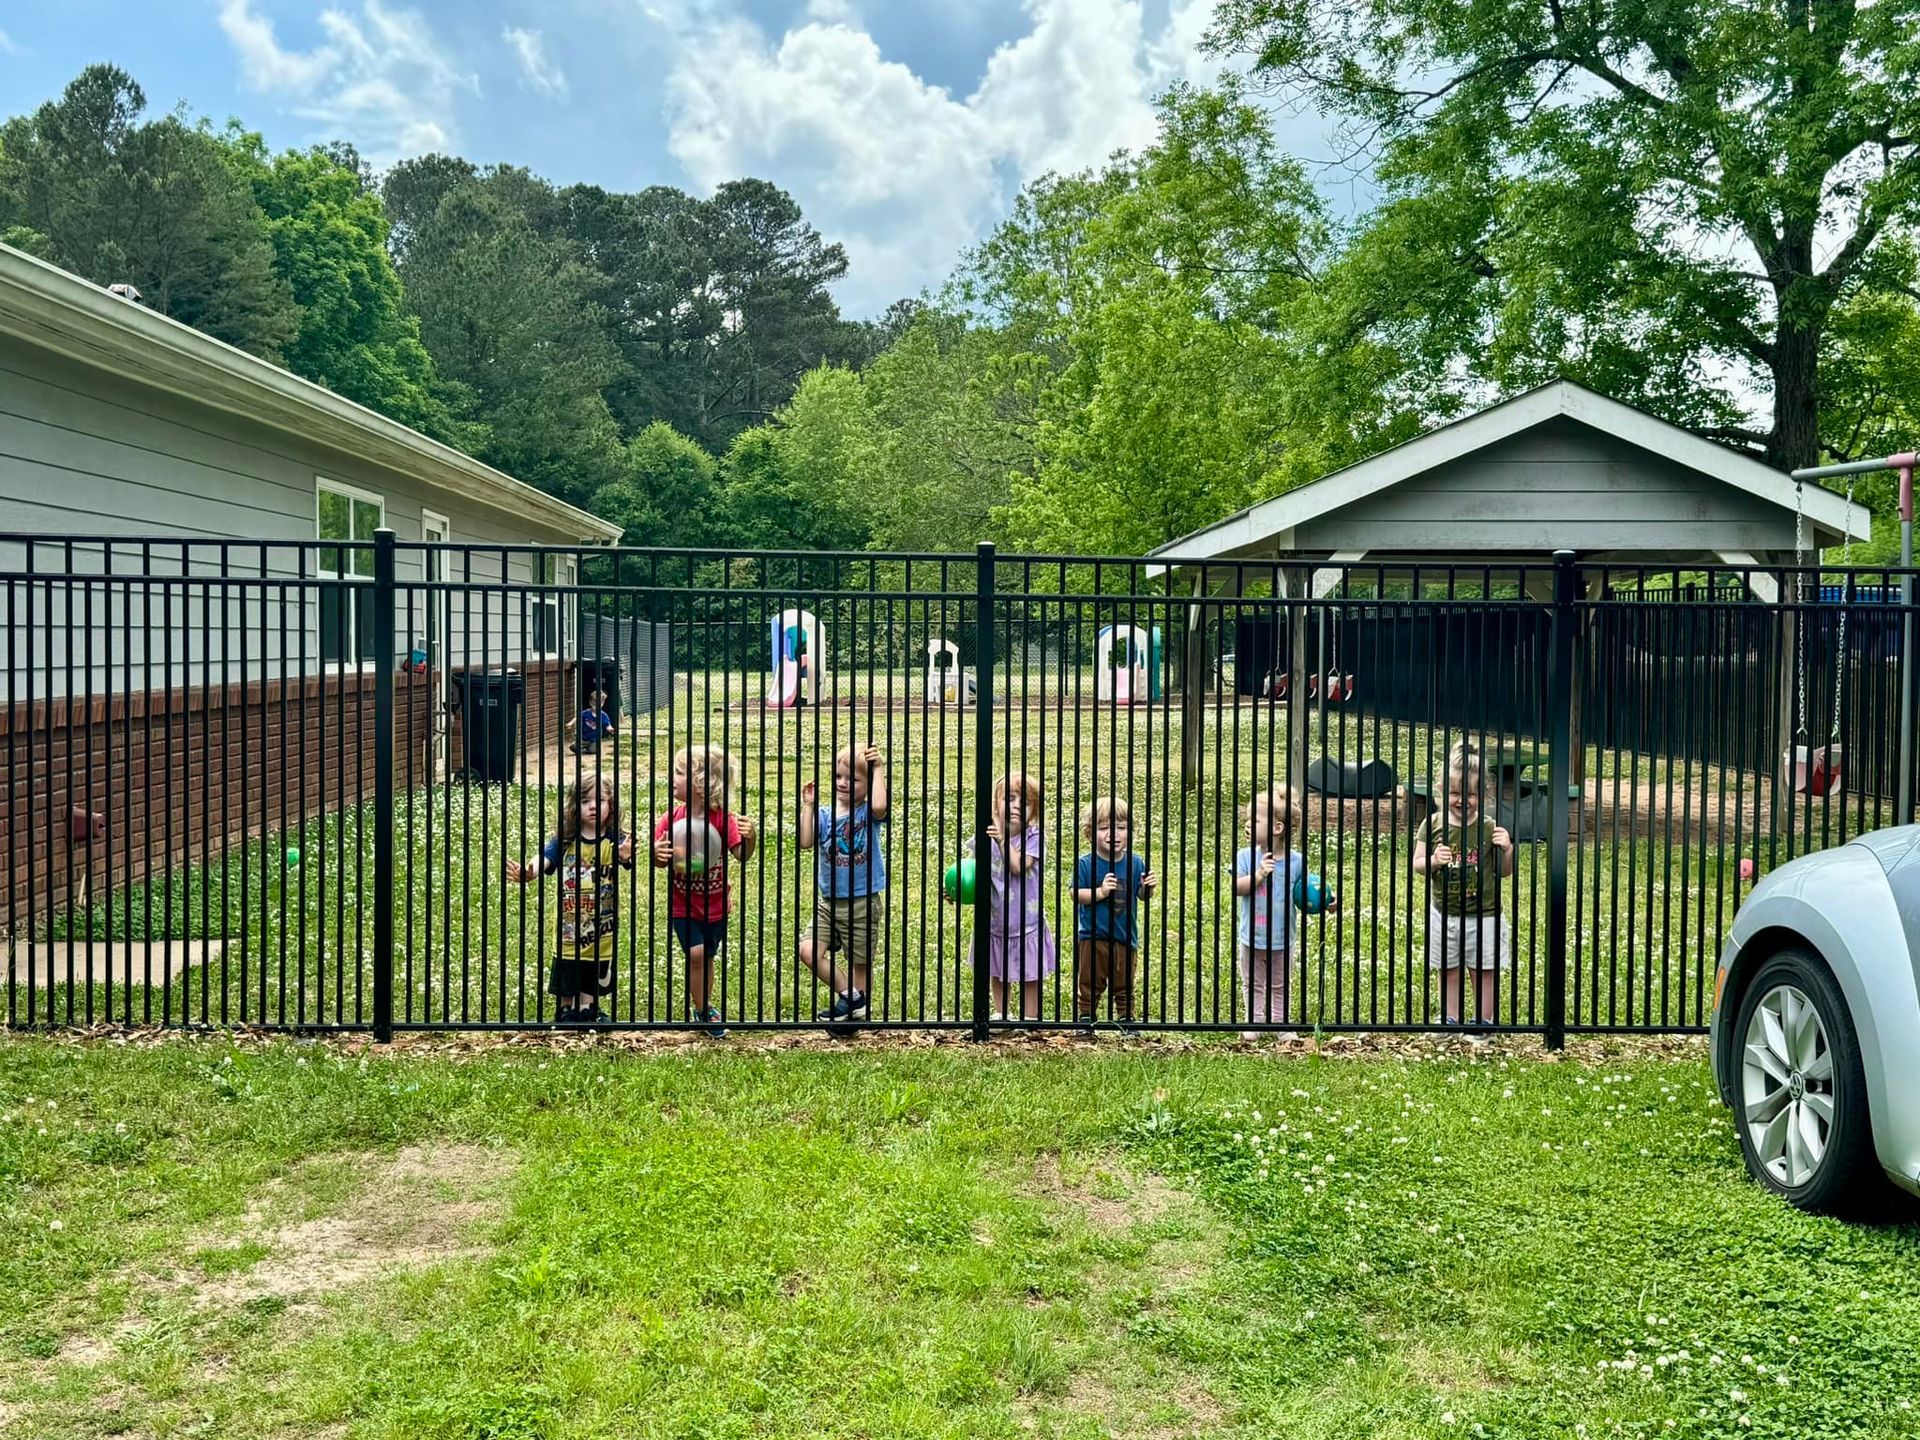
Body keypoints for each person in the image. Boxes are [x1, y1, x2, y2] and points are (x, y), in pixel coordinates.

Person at [506, 775, 635, 1025]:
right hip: (569, 922)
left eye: (599, 800)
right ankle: (566, 1010)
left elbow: (626, 859)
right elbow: (543, 859)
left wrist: (625, 856)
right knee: (567, 964)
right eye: (585, 800)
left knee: (594, 964)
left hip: (601, 923)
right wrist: (528, 872)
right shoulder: (565, 840)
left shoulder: (615, 839)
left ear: (611, 804)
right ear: (575, 807)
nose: (593, 806)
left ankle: (588, 1008)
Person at [651, 745, 756, 1037]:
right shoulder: (670, 819)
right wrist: (657, 853)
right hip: (682, 903)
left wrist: (752, 838)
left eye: (680, 772)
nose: (672, 777)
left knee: (707, 955)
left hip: (716, 904)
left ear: (701, 782)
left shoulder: (723, 819)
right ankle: (702, 1011)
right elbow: (660, 861)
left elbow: (741, 854)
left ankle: (704, 1005)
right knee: (696, 954)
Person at [1412, 740, 1514, 1028]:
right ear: (1442, 792)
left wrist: (1507, 849)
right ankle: (1450, 1017)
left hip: (1485, 914)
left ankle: (1484, 1020)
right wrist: (1433, 860)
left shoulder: (1488, 826)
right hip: (1444, 912)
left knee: (1483, 969)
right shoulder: (1432, 825)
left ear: (1483, 794)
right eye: (1455, 793)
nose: (1462, 800)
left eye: (1470, 794)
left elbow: (1504, 873)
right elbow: (1417, 864)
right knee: (1448, 968)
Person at [799, 744, 889, 1033]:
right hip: (828, 902)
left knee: (859, 963)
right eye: (838, 776)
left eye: (853, 779)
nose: (843, 783)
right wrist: (808, 807)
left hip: (862, 900)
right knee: (809, 951)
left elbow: (880, 806)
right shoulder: (825, 814)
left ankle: (854, 1019)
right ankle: (851, 997)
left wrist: (878, 769)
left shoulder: (866, 814)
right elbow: (805, 841)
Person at [976, 771, 1056, 1025]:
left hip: (1026, 921)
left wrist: (1002, 841)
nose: (1016, 806)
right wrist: (954, 889)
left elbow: (1019, 866)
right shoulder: (986, 837)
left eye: (1025, 802)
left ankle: (1030, 1017)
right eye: (1009, 798)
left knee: (1029, 972)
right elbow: (972, 873)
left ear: (1035, 811)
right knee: (997, 969)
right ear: (995, 805)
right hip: (995, 918)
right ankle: (1001, 1013)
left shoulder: (1034, 838)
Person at [1072, 796, 1156, 1032]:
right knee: (1090, 979)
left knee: (1124, 980)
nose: (1113, 834)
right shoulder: (1085, 863)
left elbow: (1141, 895)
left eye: (1120, 828)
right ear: (1090, 833)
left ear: (1130, 832)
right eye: (1104, 828)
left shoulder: (1136, 862)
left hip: (1124, 935)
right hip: (1092, 935)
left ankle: (1126, 1017)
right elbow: (1075, 893)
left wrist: (1148, 887)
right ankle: (1086, 1016)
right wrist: (1099, 892)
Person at [569, 686, 616, 755]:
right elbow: (577, 717)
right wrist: (570, 723)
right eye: (594, 705)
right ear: (590, 703)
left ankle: (587, 750)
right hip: (584, 738)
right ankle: (585, 747)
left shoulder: (603, 715)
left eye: (599, 705)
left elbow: (607, 725)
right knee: (573, 747)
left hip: (595, 740)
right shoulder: (585, 713)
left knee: (594, 750)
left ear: (602, 704)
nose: (596, 707)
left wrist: (611, 729)